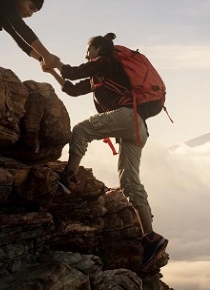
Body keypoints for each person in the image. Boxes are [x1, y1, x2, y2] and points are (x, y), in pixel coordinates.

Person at [48, 32, 168, 270]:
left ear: (99, 48)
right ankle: (151, 238)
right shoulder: (100, 75)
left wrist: (56, 62)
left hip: (127, 118)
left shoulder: (108, 60)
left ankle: (68, 178)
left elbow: (72, 72)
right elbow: (72, 89)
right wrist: (52, 72)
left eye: (88, 50)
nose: (86, 54)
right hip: (137, 128)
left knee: (81, 130)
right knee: (130, 183)